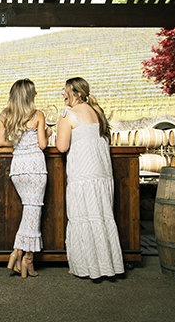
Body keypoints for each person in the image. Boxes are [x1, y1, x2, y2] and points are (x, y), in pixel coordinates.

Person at [55, 77, 124, 280]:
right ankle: (107, 266)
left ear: (75, 93)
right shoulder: (97, 113)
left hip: (83, 175)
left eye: (65, 90)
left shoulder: (68, 114)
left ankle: (85, 266)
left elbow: (61, 146)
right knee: (101, 217)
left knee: (82, 216)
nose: (62, 93)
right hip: (102, 175)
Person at [0, 79, 52, 278]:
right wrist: (46, 133)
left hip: (18, 167)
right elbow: (43, 145)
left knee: (30, 211)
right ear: (30, 95)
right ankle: (19, 252)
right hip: (36, 167)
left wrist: (18, 142)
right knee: (33, 211)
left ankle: (25, 260)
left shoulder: (5, 114)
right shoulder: (38, 115)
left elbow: (2, 142)